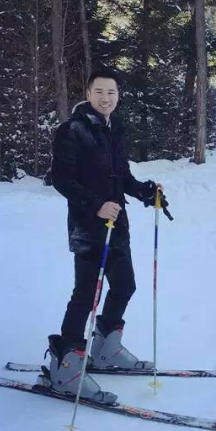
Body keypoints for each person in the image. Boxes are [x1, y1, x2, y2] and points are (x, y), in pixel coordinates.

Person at [40, 69, 166, 404]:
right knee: (85, 296)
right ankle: (65, 367)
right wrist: (96, 205)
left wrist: (144, 192)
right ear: (88, 93)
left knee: (125, 286)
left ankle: (106, 350)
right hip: (88, 228)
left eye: (111, 92)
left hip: (117, 226)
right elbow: (62, 179)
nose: (106, 98)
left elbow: (121, 175)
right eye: (99, 91)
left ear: (118, 96)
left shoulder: (115, 128)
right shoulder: (72, 130)